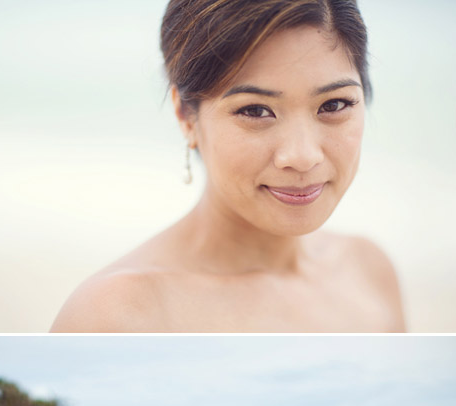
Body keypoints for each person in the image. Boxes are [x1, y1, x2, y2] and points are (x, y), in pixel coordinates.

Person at [50, 0, 405, 333]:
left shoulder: (368, 271)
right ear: (186, 116)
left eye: (334, 104)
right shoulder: (118, 315)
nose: (302, 156)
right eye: (255, 111)